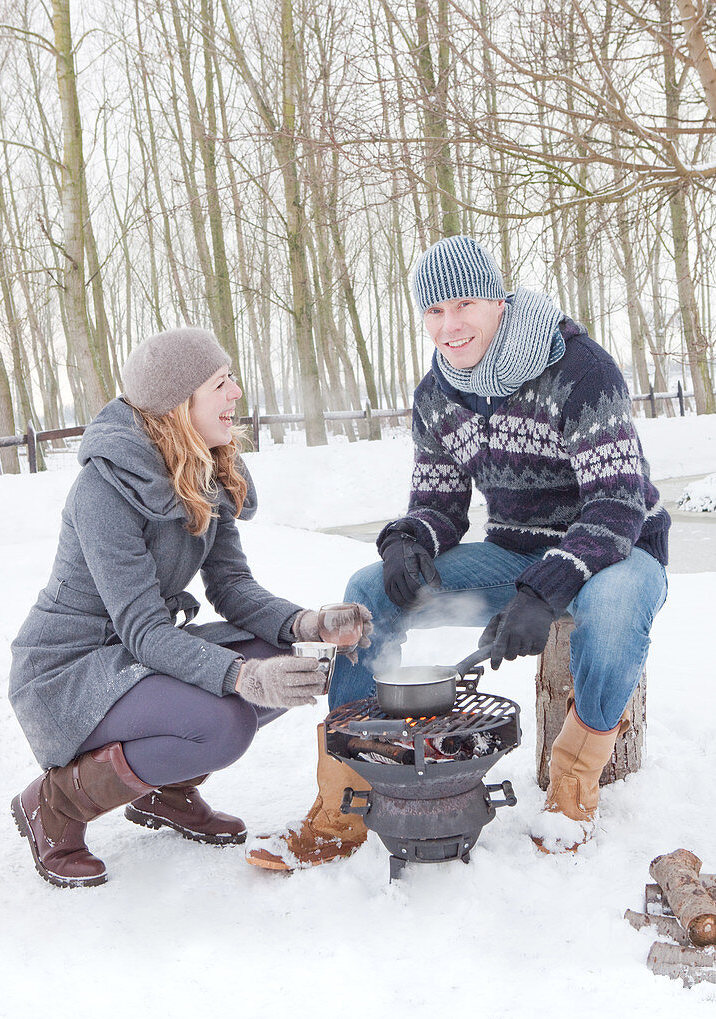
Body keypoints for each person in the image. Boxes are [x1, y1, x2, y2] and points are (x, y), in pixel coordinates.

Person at [249, 235, 670, 868]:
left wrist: (544, 591)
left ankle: (571, 789)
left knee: (609, 615)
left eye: (464, 303)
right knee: (365, 591)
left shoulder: (580, 369)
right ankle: (347, 798)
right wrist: (405, 542)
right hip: (515, 556)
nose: (450, 326)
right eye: (434, 311)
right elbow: (440, 504)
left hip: (620, 550)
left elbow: (616, 504)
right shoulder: (438, 393)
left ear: (499, 301)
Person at [9, 327, 371, 888]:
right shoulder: (103, 490)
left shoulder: (207, 465)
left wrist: (308, 624)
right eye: (220, 383)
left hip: (134, 659)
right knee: (223, 721)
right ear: (180, 403)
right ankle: (53, 805)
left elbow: (230, 585)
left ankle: (164, 792)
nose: (236, 393)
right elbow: (143, 631)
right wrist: (242, 677)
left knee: (289, 656)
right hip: (72, 671)